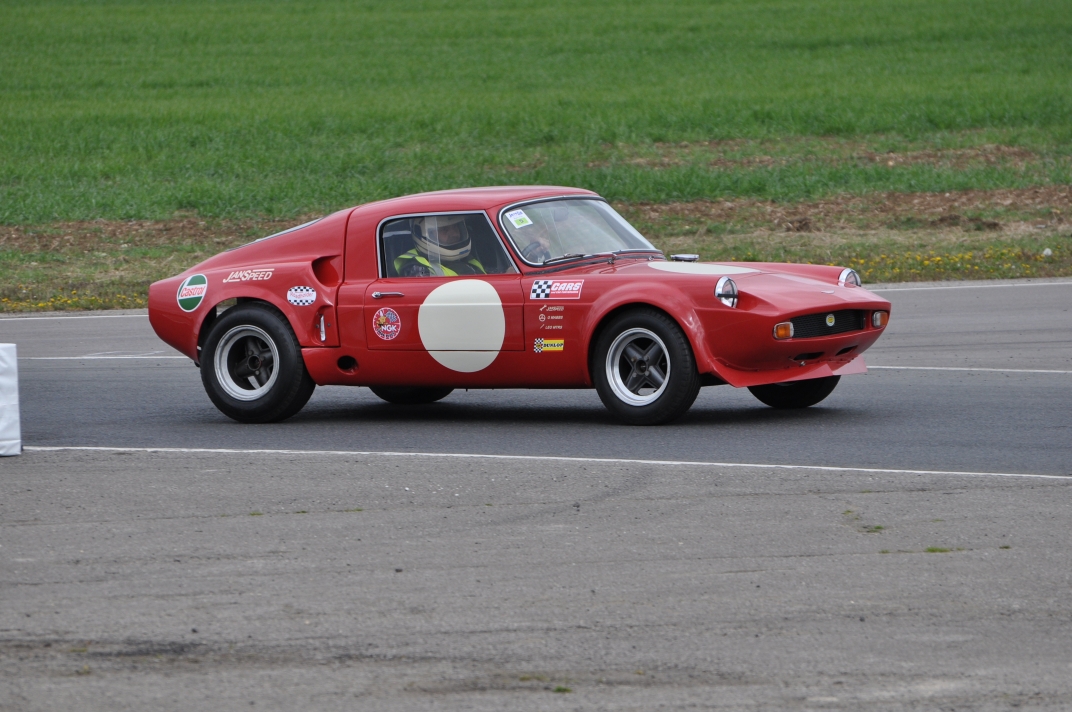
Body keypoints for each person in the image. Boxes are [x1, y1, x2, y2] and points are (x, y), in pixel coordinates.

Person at [394, 216, 485, 277]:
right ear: (422, 234)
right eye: (444, 229)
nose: (454, 234)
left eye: (455, 227)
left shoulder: (468, 259)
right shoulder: (417, 269)